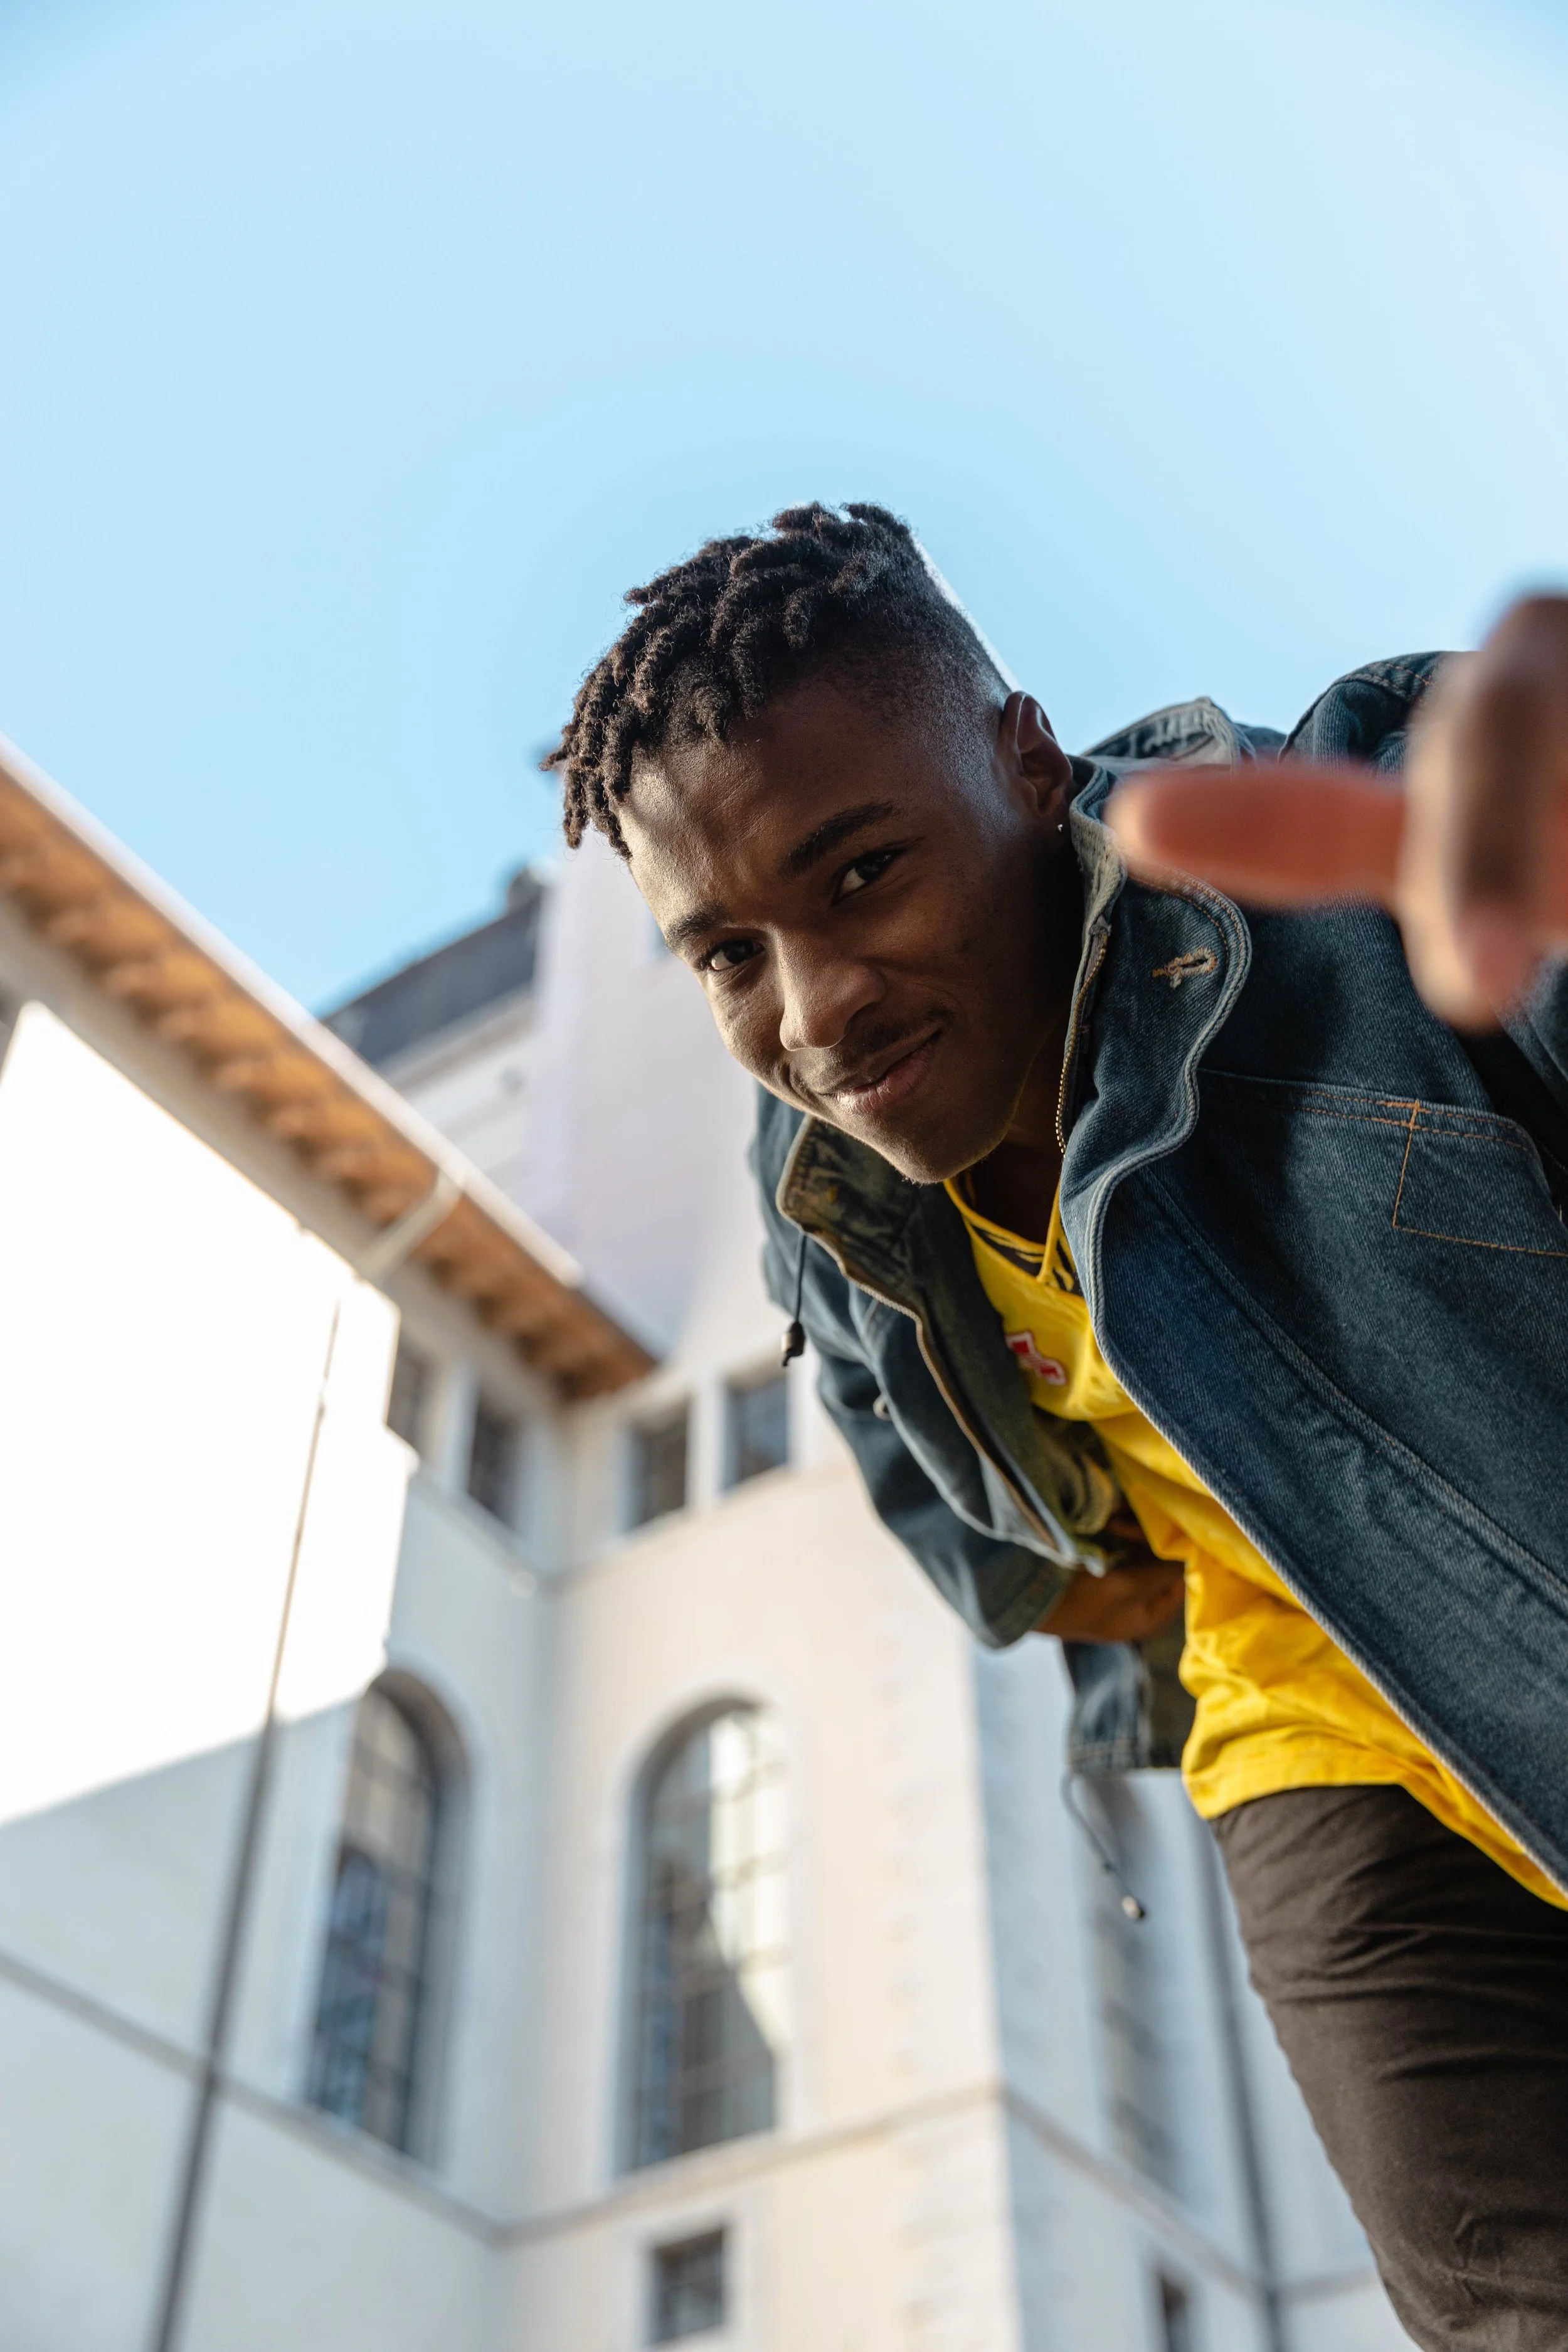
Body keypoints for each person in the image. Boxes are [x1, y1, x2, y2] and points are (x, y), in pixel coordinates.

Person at [546, 503, 1568, 2350]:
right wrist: (1124, 1585)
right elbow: (943, 1491)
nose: (817, 1010)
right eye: (725, 956)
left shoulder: (1350, 825)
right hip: (1305, 1766)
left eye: (859, 873)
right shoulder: (821, 1191)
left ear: (1024, 758)